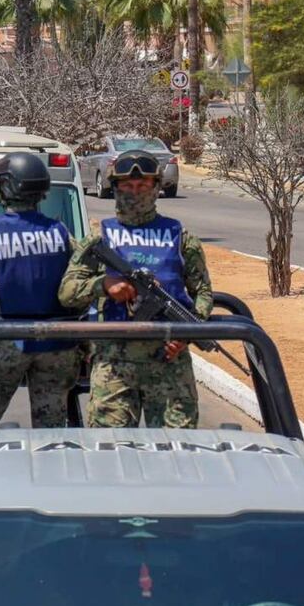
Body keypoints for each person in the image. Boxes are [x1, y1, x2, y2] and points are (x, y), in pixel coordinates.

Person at [58, 150, 212, 429]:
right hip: (114, 362)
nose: (135, 192)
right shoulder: (99, 238)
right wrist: (103, 285)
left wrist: (188, 333)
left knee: (177, 447)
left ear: (156, 188)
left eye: (142, 186)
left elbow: (202, 293)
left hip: (168, 362)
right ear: (115, 188)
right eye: (127, 186)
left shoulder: (181, 237)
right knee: (110, 447)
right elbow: (67, 292)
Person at [0, 152, 82, 433]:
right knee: (51, 432)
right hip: (56, 345)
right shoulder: (61, 233)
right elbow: (78, 289)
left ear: (5, 188)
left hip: (3, 343)